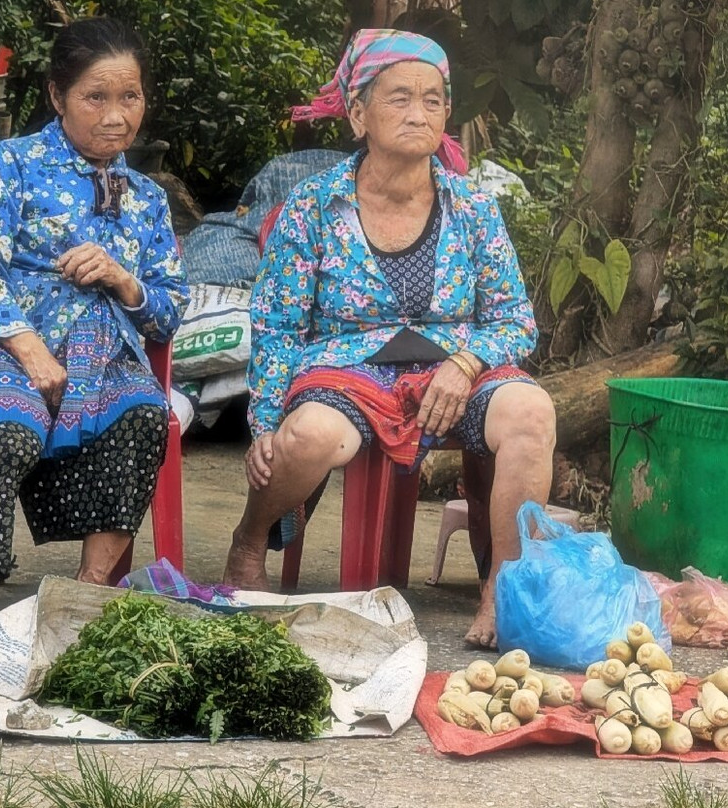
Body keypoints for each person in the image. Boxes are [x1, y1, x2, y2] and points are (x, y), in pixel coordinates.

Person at [221, 28, 555, 649]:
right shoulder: (313, 207)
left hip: (458, 367)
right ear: (357, 114)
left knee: (532, 411)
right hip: (348, 369)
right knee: (310, 436)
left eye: (432, 100)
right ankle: (249, 540)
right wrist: (266, 421)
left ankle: (502, 591)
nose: (418, 113)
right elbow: (277, 324)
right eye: (399, 98)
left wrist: (466, 359)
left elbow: (516, 321)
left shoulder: (474, 208)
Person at [0, 17, 189, 629]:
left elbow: (169, 310)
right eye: (95, 97)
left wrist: (123, 279)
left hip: (102, 360)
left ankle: (88, 592)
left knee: (139, 416)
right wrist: (29, 350)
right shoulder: (11, 164)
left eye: (129, 97)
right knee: (11, 423)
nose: (115, 115)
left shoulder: (149, 199)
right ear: (57, 96)